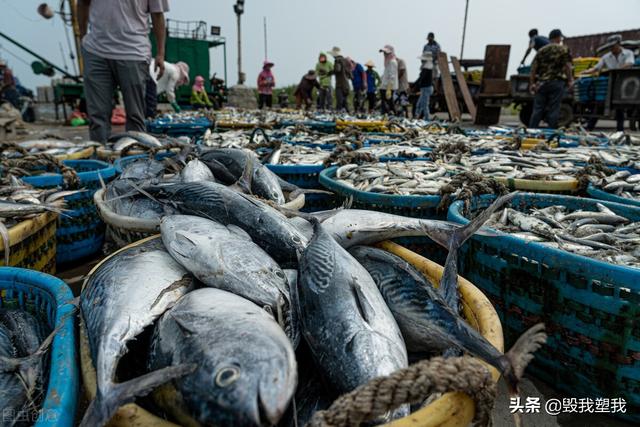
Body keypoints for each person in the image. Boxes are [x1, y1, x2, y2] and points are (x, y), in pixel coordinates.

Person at [78, 0, 168, 143]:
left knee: (135, 116)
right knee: (97, 116)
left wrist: (161, 54)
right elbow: (83, 4)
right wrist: (82, 39)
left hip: (134, 53)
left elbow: (157, 15)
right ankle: (100, 160)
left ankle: (136, 160)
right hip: (96, 51)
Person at [583, 34, 635, 131]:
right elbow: (597, 68)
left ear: (619, 44)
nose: (612, 48)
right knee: (599, 105)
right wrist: (586, 72)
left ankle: (620, 131)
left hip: (622, 85)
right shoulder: (606, 56)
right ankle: (589, 128)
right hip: (610, 84)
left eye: (613, 46)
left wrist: (616, 70)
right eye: (610, 46)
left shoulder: (628, 53)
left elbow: (629, 63)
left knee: (619, 107)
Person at [529, 29, 573, 129]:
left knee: (538, 109)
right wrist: (570, 80)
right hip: (557, 83)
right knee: (554, 108)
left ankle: (531, 132)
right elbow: (567, 66)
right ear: (558, 38)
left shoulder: (541, 50)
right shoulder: (563, 49)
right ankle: (550, 133)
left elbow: (533, 69)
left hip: (541, 83)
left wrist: (532, 83)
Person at [330, 47, 351, 112]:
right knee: (345, 101)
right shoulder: (346, 61)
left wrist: (330, 72)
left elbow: (337, 69)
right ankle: (348, 114)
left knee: (340, 100)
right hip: (346, 84)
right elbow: (350, 75)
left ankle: (338, 114)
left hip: (340, 84)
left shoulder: (337, 60)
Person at [414, 52, 434, 120]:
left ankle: (427, 119)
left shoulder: (426, 68)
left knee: (424, 105)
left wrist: (414, 85)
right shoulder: (428, 67)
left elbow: (421, 78)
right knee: (419, 104)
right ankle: (417, 117)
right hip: (426, 88)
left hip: (426, 88)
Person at [379, 45, 398, 115]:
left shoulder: (392, 62)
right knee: (385, 105)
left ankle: (395, 117)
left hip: (388, 87)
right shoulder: (388, 62)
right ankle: (386, 117)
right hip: (384, 87)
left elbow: (392, 76)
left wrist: (389, 89)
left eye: (386, 53)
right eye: (384, 53)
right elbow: (386, 75)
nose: (384, 54)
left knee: (389, 104)